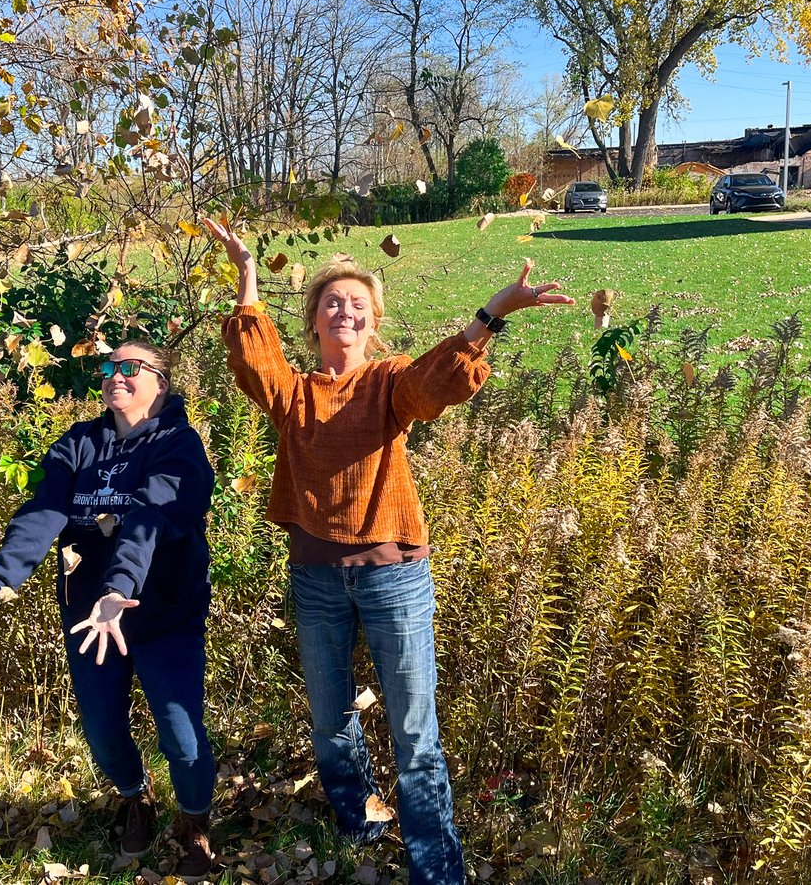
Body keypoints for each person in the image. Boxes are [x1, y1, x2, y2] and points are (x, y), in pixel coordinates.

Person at [206, 217, 574, 885]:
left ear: (373, 322)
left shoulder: (388, 382)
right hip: (315, 577)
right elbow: (254, 362)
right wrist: (248, 277)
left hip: (393, 578)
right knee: (329, 719)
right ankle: (360, 822)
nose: (342, 310)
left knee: (413, 729)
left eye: (357, 304)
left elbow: (436, 383)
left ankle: (435, 866)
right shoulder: (294, 395)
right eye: (330, 302)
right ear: (314, 322)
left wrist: (490, 316)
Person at [0, 341, 218, 881]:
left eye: (130, 368)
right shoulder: (79, 444)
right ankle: (137, 796)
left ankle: (194, 821)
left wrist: (120, 586)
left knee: (182, 737)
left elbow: (148, 521)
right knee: (102, 729)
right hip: (91, 619)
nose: (115, 375)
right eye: (109, 367)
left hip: (163, 615)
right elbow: (42, 514)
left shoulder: (180, 447)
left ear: (160, 381)